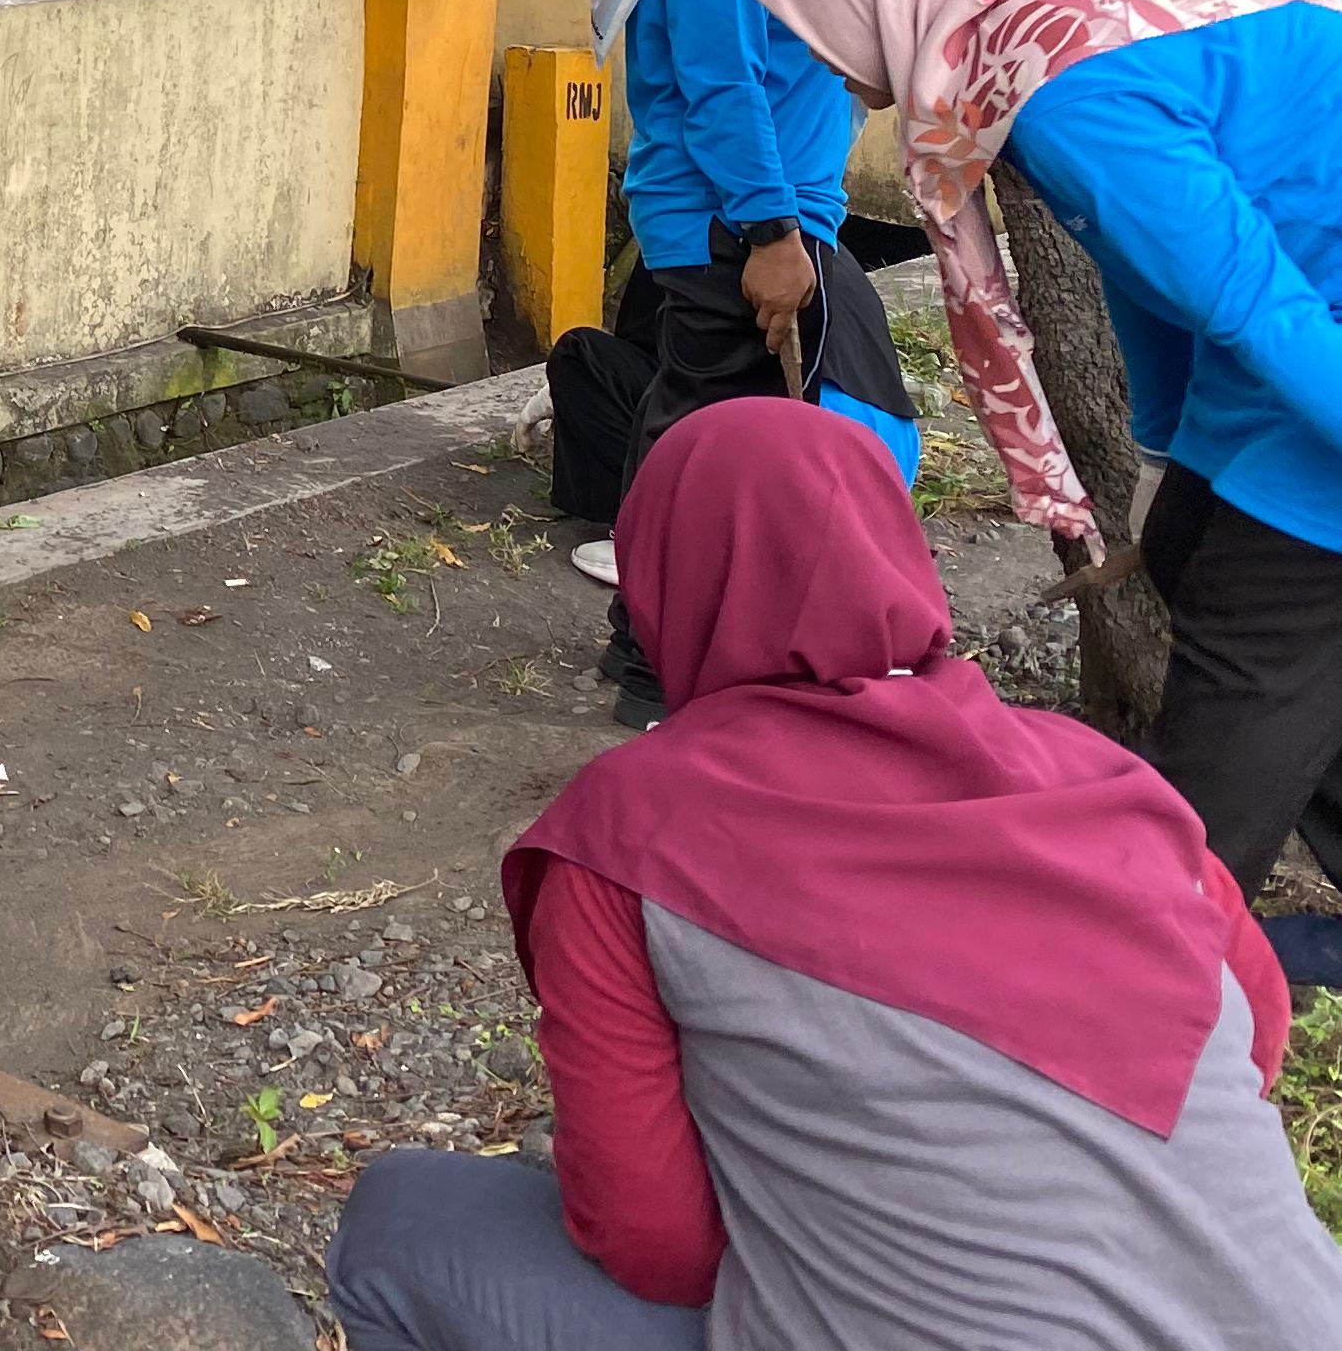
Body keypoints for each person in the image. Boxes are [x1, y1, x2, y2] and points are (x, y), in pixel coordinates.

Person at [327, 399, 1341, 1350]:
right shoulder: (1103, 785)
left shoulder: (629, 836)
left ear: (661, 583)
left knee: (398, 1227)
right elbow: (1252, 1033)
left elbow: (656, 1246)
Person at [729, 0, 1342, 976]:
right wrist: (1169, 452)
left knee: (1257, 640)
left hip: (1314, 336)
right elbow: (1155, 274)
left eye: (823, 21)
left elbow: (1252, 304)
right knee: (1198, 548)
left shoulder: (1065, 87)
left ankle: (1130, 977)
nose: (829, 66)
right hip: (1304, 315)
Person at [559, 0, 907, 713]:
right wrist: (769, 233)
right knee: (701, 434)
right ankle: (650, 658)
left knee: (728, 430)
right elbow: (721, 85)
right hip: (736, 218)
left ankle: (685, 646)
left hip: (758, 208)